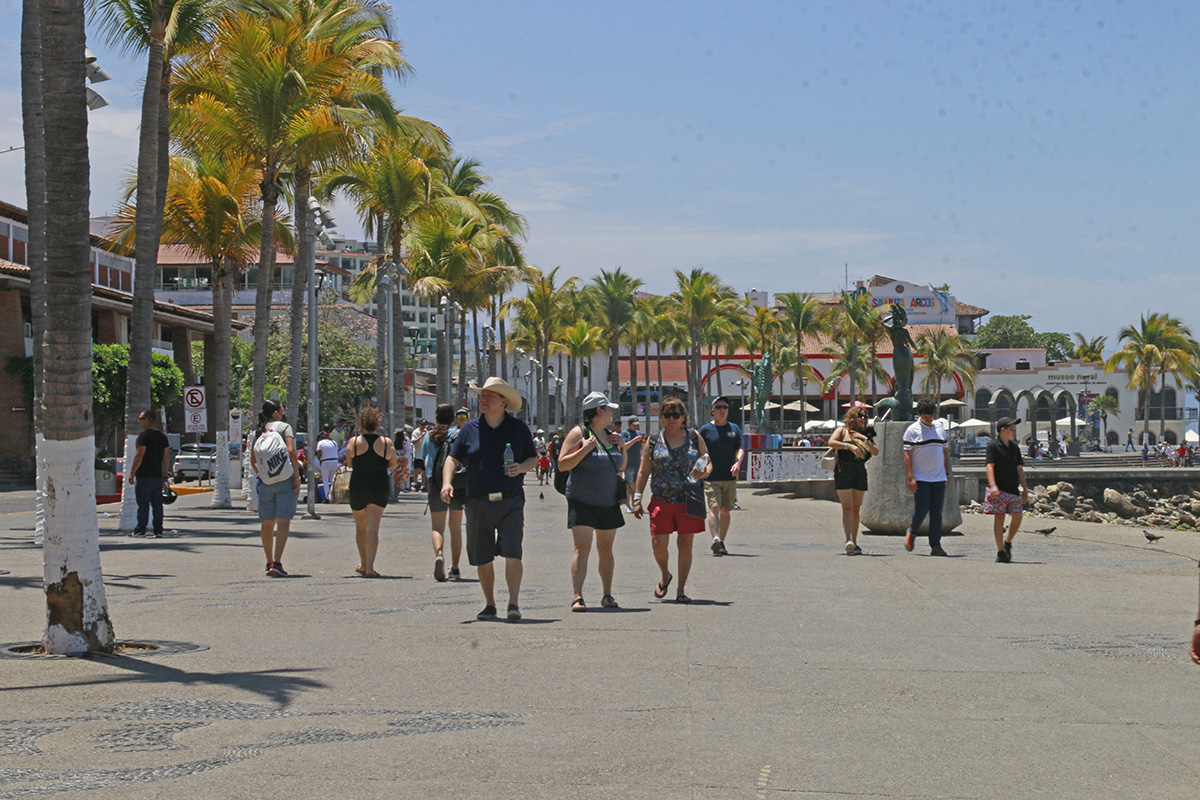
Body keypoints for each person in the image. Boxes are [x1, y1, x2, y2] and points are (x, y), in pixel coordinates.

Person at [442, 378, 537, 620]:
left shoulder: (519, 428)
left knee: (513, 551)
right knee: (481, 555)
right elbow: (452, 459)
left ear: (504, 402)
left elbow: (532, 459)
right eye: (482, 396)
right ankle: (490, 604)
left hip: (511, 500)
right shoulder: (469, 429)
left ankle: (513, 604)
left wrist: (521, 468)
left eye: (490, 396)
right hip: (477, 500)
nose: (483, 400)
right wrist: (446, 483)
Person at [632, 396, 712, 603]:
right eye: (666, 414)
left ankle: (681, 589)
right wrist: (637, 497)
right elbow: (643, 471)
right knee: (658, 542)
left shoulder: (694, 436)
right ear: (661, 417)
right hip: (661, 498)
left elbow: (707, 461)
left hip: (689, 498)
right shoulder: (653, 439)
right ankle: (665, 573)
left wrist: (703, 473)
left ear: (683, 417)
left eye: (676, 415)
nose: (671, 419)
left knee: (685, 544)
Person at [556, 392, 628, 611]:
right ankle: (577, 596)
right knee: (582, 547)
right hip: (582, 500)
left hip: (608, 501)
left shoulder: (610, 434)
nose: (611, 413)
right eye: (608, 409)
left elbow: (621, 467)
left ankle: (607, 594)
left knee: (606, 548)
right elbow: (562, 464)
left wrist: (623, 447)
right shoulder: (579, 433)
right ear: (599, 411)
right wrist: (585, 449)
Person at [344, 408, 396, 577]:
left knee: (360, 527)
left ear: (361, 424)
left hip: (358, 486)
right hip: (379, 486)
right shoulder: (387, 443)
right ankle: (370, 567)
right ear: (377, 424)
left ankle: (363, 563)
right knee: (373, 528)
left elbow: (350, 464)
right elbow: (392, 465)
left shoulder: (354, 442)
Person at [252, 400, 301, 576]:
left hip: (266, 482)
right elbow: (291, 452)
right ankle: (277, 563)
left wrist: (263, 475)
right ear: (276, 413)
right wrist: (296, 476)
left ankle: (268, 562)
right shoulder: (284, 427)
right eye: (282, 409)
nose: (283, 412)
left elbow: (253, 460)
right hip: (285, 479)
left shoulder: (259, 430)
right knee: (283, 521)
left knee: (267, 523)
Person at [827, 406, 878, 554]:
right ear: (852, 417)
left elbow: (875, 451)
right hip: (843, 470)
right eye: (860, 415)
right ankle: (848, 539)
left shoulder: (867, 432)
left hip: (859, 471)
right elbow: (831, 442)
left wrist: (864, 438)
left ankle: (854, 542)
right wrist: (848, 445)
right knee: (847, 508)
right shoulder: (842, 431)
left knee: (856, 509)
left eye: (864, 416)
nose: (862, 418)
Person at [903, 398, 951, 556]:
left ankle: (936, 545)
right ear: (919, 414)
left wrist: (947, 473)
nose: (928, 418)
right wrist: (911, 478)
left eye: (930, 415)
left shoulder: (940, 428)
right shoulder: (912, 430)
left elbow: (944, 452)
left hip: (939, 477)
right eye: (925, 415)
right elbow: (907, 455)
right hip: (921, 477)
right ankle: (913, 531)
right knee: (922, 508)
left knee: (936, 512)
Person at [698, 396, 745, 556]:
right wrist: (700, 467)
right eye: (719, 407)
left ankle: (722, 542)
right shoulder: (705, 430)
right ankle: (716, 539)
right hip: (711, 477)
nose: (722, 410)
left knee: (726, 510)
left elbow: (740, 448)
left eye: (725, 407)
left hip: (729, 476)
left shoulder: (734, 429)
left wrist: (738, 463)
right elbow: (698, 451)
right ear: (713, 411)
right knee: (714, 507)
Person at [426, 404, 465, 581]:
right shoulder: (458, 435)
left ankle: (439, 554)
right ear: (454, 417)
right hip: (455, 483)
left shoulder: (430, 436)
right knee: (455, 528)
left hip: (435, 484)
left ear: (436, 417)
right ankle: (455, 568)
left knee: (437, 527)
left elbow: (425, 459)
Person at [984, 416, 1029, 563]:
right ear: (1002, 430)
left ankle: (1008, 541)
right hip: (999, 488)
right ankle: (1000, 551)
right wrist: (993, 486)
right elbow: (989, 466)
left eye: (1015, 430)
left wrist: (1025, 488)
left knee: (1017, 515)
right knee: (999, 518)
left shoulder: (1014, 448)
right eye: (1012, 430)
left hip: (1013, 488)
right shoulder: (993, 446)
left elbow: (1019, 469)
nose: (1014, 432)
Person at [129, 409, 170, 538]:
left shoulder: (144, 436)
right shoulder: (162, 437)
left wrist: (132, 473)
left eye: (140, 419)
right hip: (157, 476)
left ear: (147, 420)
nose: (139, 421)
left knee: (143, 505)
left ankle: (141, 529)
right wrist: (165, 473)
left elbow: (139, 454)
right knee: (157, 505)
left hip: (144, 476)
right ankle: (158, 530)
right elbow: (166, 456)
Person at [620, 416, 644, 513]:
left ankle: (635, 504)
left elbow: (642, 448)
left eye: (637, 426)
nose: (636, 427)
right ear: (629, 424)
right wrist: (634, 440)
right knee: (629, 484)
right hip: (628, 463)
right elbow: (624, 446)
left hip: (637, 462)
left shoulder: (638, 433)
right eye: (634, 425)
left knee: (635, 484)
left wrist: (642, 441)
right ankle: (627, 504)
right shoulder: (625, 433)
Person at [314, 424, 341, 503]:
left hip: (326, 461)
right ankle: (334, 496)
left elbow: (318, 453)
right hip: (335, 461)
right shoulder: (334, 442)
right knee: (333, 480)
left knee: (325, 481)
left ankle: (327, 497)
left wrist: (320, 460)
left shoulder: (321, 443)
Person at [410, 421, 429, 491]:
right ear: (419, 424)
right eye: (422, 424)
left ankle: (422, 485)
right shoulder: (416, 432)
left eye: (425, 425)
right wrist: (421, 436)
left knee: (424, 470)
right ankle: (415, 482)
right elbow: (413, 441)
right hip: (418, 454)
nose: (424, 426)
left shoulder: (427, 432)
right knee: (417, 469)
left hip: (425, 454)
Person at [393, 429, 411, 494]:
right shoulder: (404, 442)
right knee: (404, 472)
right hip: (403, 457)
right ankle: (405, 487)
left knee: (398, 472)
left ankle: (398, 486)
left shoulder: (395, 441)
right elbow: (407, 449)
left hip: (397, 457)